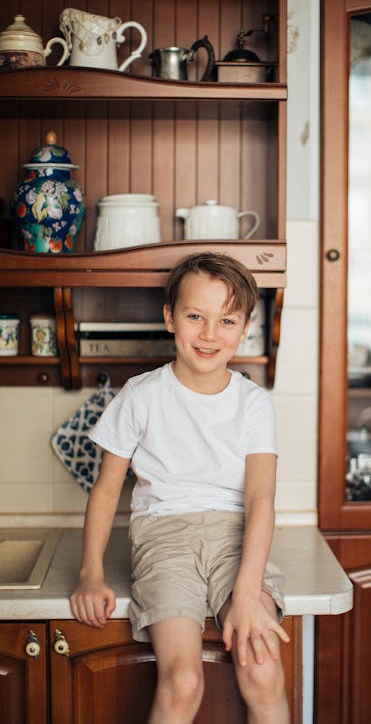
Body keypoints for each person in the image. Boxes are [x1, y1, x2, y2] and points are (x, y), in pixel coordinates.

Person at [69, 251, 290, 724]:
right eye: (196, 316)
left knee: (263, 671)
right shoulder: (141, 395)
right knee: (183, 681)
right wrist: (90, 571)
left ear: (245, 326)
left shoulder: (254, 403)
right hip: (163, 538)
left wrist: (248, 592)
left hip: (236, 539)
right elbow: (107, 489)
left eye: (226, 320)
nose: (210, 334)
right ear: (170, 318)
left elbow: (260, 499)